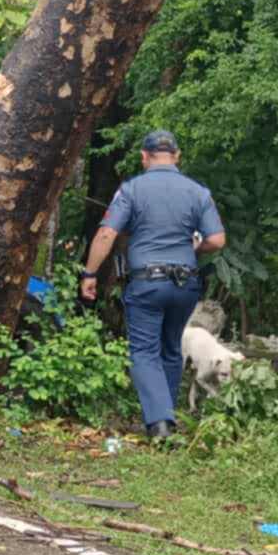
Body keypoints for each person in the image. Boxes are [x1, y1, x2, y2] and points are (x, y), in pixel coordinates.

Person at [78, 130, 227, 441]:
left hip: (147, 283)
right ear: (177, 156)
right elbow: (216, 240)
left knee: (145, 351)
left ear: (144, 157)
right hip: (185, 283)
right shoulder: (198, 192)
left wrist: (89, 273)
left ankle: (159, 424)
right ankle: (168, 418)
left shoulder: (131, 190)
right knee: (171, 349)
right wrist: (193, 252)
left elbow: (106, 235)